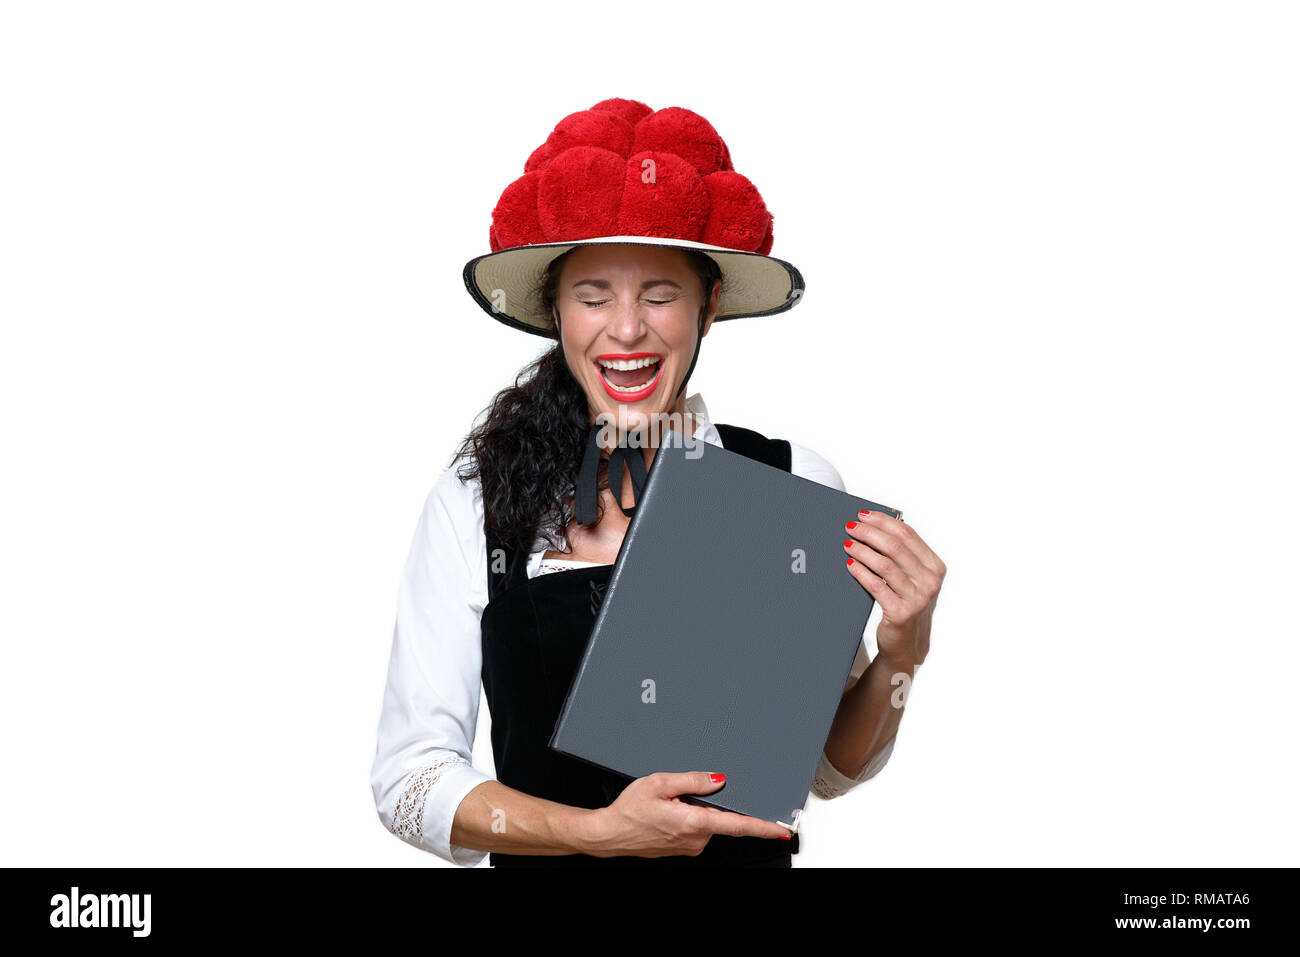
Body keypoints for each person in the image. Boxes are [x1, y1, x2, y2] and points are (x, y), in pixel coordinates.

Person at [370, 97, 946, 867]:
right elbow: (409, 780)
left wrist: (902, 648)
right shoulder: (477, 504)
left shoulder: (790, 484)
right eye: (594, 295)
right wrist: (595, 833)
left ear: (708, 306)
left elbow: (827, 767)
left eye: (660, 294)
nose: (628, 329)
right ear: (556, 313)